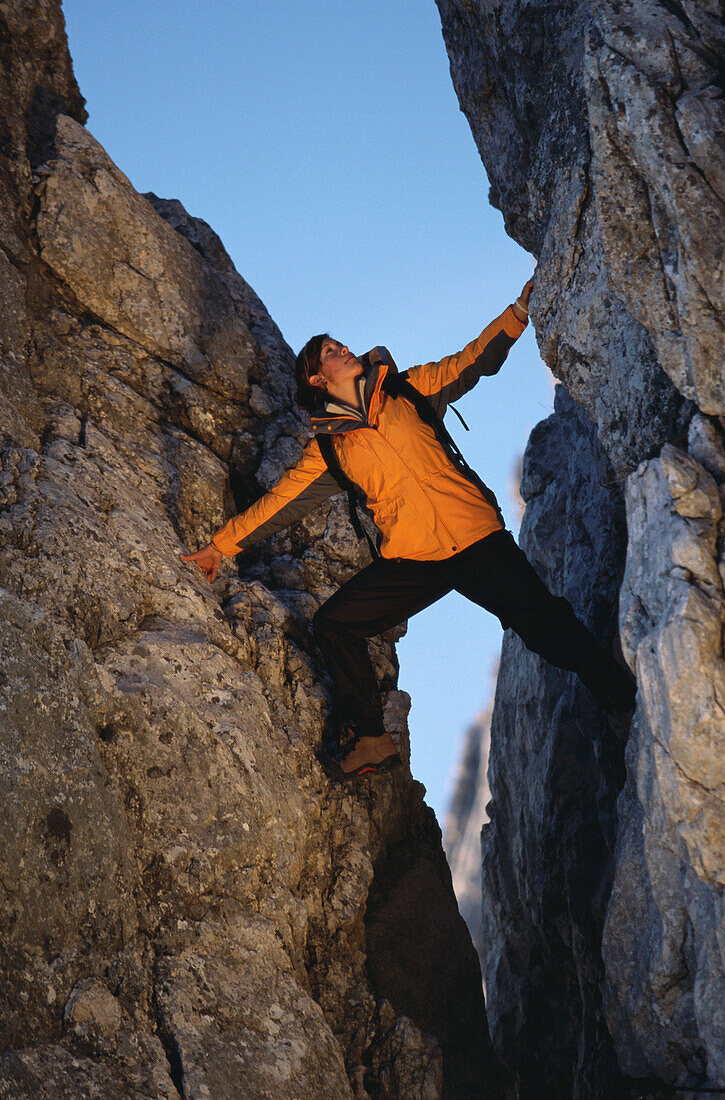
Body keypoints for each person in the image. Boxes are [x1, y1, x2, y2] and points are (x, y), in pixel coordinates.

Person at [181, 279, 635, 780]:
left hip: (476, 534)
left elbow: (470, 362)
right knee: (335, 624)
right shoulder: (329, 447)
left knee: (544, 625)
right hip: (415, 558)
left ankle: (620, 698)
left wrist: (518, 313)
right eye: (332, 352)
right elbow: (278, 503)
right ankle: (372, 739)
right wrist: (218, 548)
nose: (345, 350)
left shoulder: (406, 387)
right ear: (316, 379)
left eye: (341, 345)